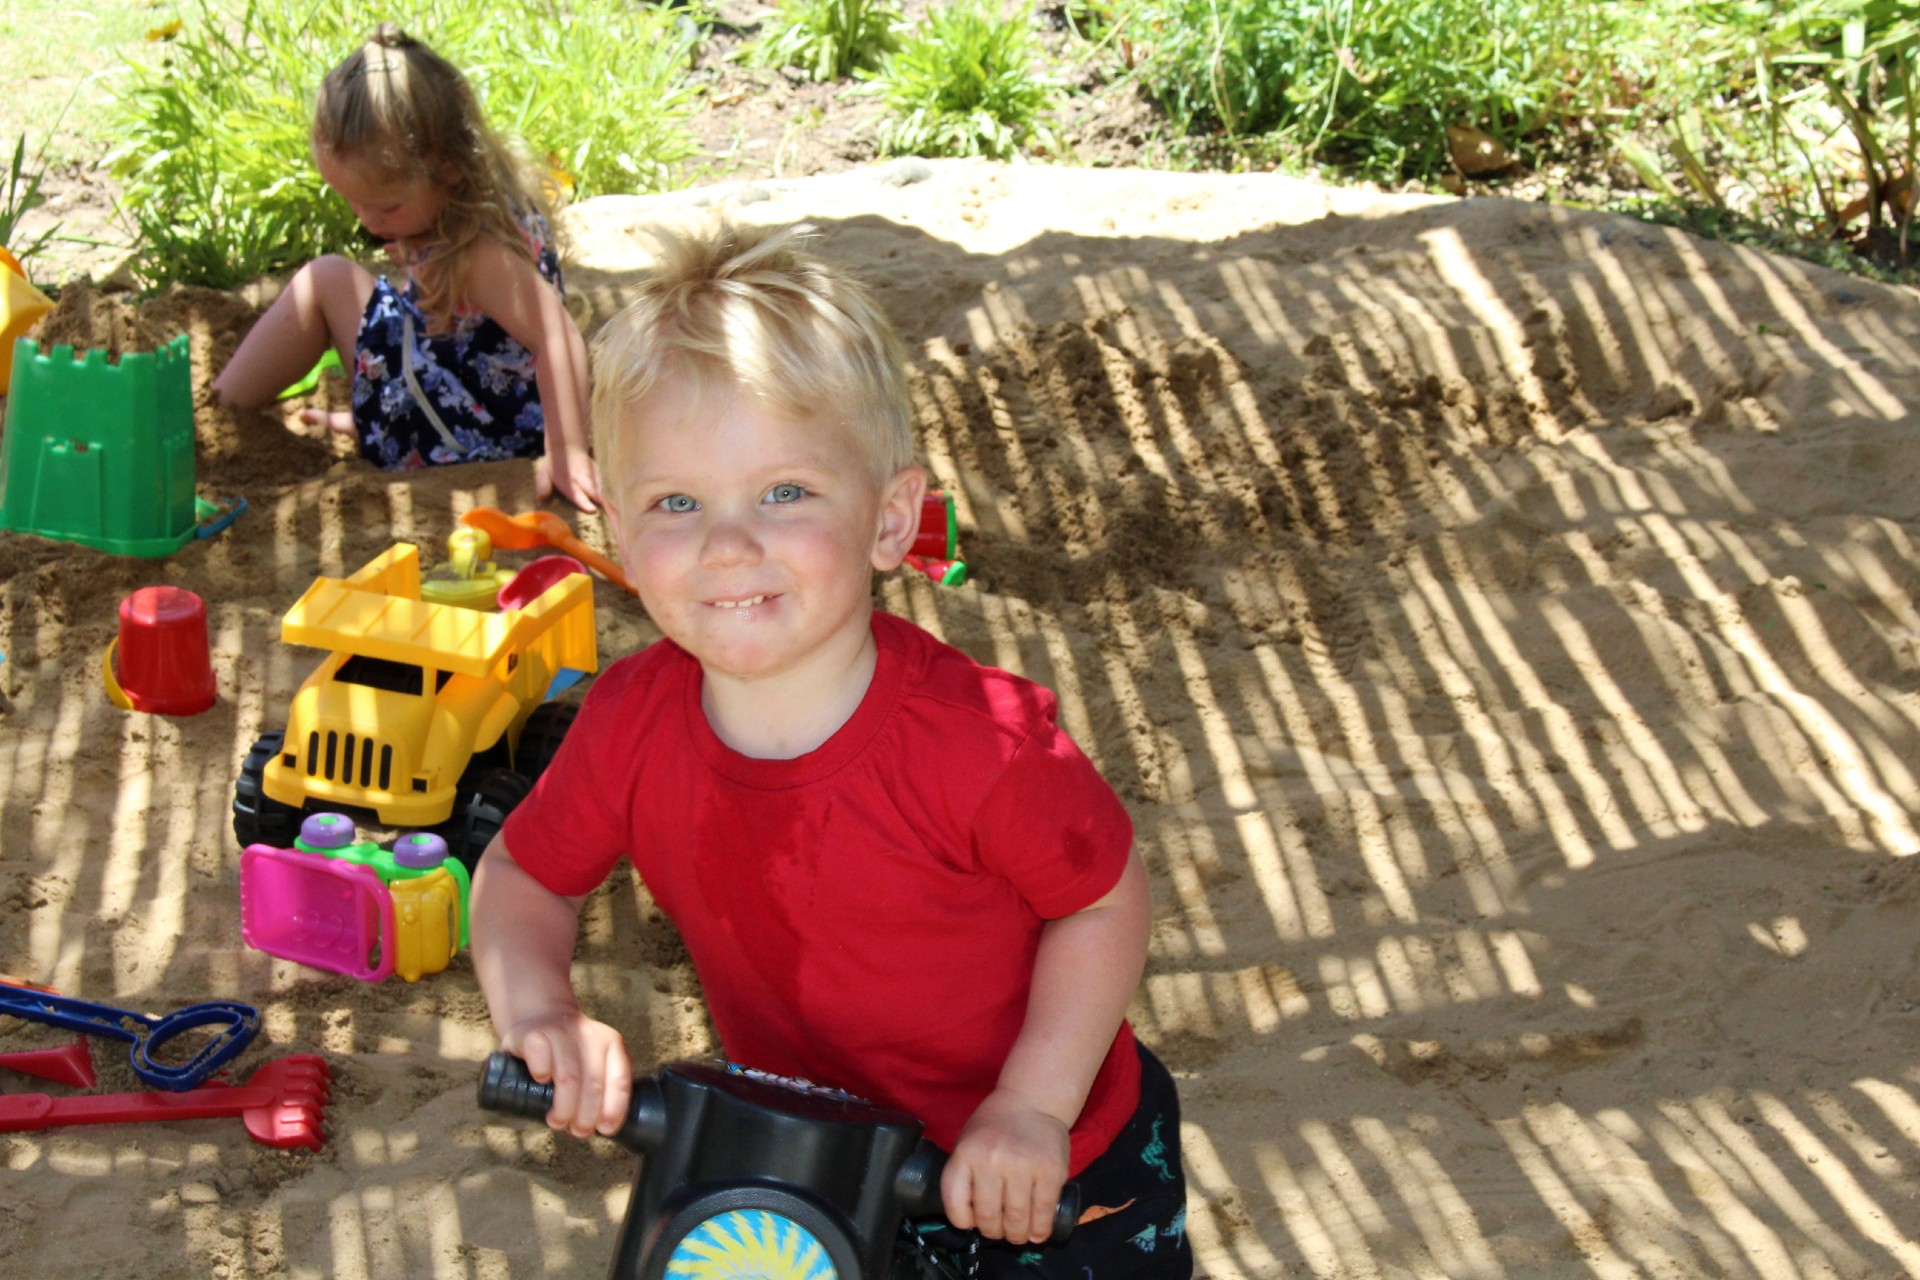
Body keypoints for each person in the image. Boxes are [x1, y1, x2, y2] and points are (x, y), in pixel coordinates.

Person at [470, 220, 1190, 1280]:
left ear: (892, 519)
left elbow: (1101, 897)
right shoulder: (630, 722)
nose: (728, 542)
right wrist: (541, 1011)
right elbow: (520, 872)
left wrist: (1032, 1103)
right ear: (619, 531)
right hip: (812, 1156)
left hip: (1050, 1167)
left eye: (786, 492)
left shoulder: (980, 745)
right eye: (677, 502)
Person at [210, 24, 599, 511]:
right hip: (467, 395)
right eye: (351, 200)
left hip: (476, 432)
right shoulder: (457, 210)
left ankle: (212, 419)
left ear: (449, 168)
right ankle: (246, 413)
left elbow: (557, 335)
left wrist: (566, 451)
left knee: (326, 279)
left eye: (386, 207)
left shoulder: (480, 252)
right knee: (352, 288)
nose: (366, 220)